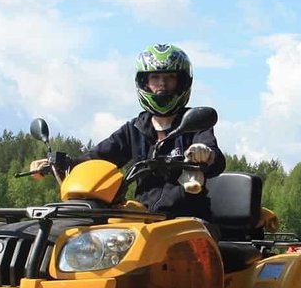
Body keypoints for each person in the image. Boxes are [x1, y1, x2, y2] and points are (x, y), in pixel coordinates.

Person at [32, 43, 225, 218]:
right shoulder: (135, 129)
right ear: (144, 82)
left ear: (181, 82)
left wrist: (205, 154)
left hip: (189, 221)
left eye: (170, 77)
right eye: (155, 77)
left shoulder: (195, 122)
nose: (162, 84)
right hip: (144, 219)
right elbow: (97, 158)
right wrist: (60, 164)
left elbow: (216, 159)